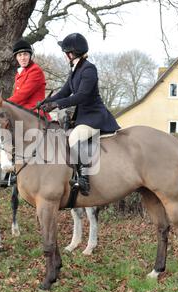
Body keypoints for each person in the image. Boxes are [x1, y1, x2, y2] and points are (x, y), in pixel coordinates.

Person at [41, 33, 120, 196]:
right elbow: (65, 91)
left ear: (71, 53)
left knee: (74, 138)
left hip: (94, 116)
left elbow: (81, 96)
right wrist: (44, 102)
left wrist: (57, 105)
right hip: (83, 116)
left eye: (65, 52)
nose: (64, 55)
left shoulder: (89, 69)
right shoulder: (75, 69)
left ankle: (84, 179)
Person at [7, 39, 50, 120]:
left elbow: (22, 95)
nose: (23, 58)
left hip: (34, 112)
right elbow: (16, 95)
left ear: (30, 56)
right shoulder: (19, 74)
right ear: (16, 57)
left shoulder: (35, 71)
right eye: (19, 55)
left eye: (25, 54)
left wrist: (4, 103)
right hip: (22, 112)